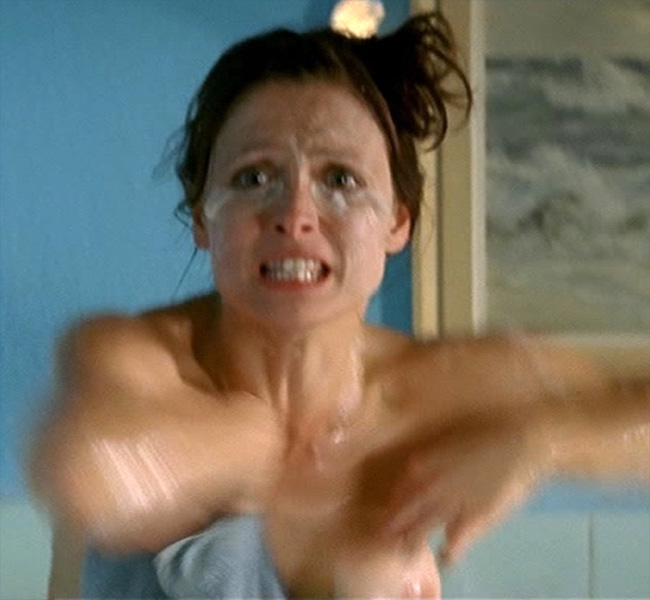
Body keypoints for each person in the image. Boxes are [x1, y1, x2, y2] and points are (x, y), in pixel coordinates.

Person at [30, 10, 649, 599]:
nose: (295, 215)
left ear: (397, 222)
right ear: (201, 218)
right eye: (254, 178)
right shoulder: (140, 360)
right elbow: (89, 471)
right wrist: (253, 440)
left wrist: (541, 441)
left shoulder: (446, 391)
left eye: (340, 180)